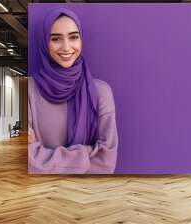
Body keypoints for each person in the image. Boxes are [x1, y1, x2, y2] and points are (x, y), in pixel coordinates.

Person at [28, 8, 118, 174]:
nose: (66, 47)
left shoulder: (101, 92)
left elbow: (106, 162)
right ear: (44, 42)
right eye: (56, 39)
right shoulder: (29, 90)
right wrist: (88, 154)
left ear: (81, 40)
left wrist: (43, 158)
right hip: (40, 193)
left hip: (87, 195)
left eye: (73, 37)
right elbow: (27, 160)